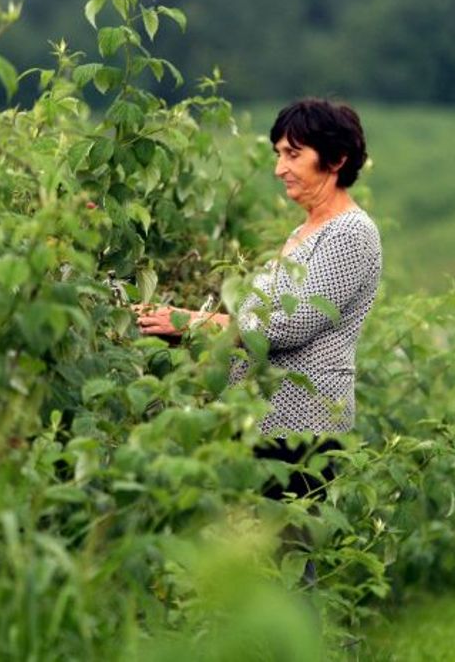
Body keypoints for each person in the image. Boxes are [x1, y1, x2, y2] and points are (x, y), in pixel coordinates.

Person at [134, 98, 382, 498]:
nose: (279, 168)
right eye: (278, 154)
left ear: (336, 159)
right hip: (260, 420)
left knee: (284, 550)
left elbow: (290, 323)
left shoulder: (350, 233)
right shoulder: (304, 232)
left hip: (301, 429)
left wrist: (195, 321)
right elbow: (256, 318)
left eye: (293, 155)